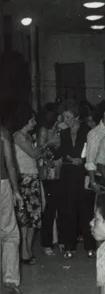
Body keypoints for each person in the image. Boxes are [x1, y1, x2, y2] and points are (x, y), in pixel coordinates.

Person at [54, 101, 92, 260]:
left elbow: (92, 151)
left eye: (69, 117)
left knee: (86, 211)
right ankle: (70, 247)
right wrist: (68, 157)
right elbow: (60, 152)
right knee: (69, 212)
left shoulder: (88, 132)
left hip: (83, 174)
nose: (66, 120)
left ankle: (90, 246)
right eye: (64, 118)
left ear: (77, 116)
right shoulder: (63, 134)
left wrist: (82, 161)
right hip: (68, 175)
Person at [11, 104, 44, 265]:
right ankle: (24, 251)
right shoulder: (18, 136)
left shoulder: (29, 137)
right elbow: (34, 153)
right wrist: (47, 143)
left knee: (34, 218)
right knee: (25, 217)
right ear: (25, 120)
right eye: (32, 120)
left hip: (32, 178)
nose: (34, 123)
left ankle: (28, 249)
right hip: (24, 179)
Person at [0, 119, 23, 294]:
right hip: (2, 185)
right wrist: (16, 191)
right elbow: (10, 165)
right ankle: (10, 279)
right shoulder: (3, 133)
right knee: (9, 232)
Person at [37, 104, 61, 256]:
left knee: (58, 207)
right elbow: (40, 151)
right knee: (50, 208)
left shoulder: (57, 129)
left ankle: (56, 239)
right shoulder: (43, 131)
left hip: (59, 172)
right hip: (49, 173)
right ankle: (46, 243)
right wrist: (49, 147)